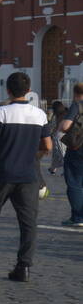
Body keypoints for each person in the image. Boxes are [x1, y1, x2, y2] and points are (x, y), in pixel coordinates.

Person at [0, 72, 53, 282]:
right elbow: (48, 146)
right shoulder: (39, 114)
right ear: (29, 90)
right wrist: (34, 155)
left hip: (2, 172)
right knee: (28, 222)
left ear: (9, 90)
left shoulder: (2, 112)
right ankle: (23, 266)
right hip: (28, 175)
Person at [60, 82, 83, 227]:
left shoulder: (77, 105)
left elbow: (65, 126)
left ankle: (78, 217)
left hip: (78, 148)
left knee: (74, 183)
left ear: (75, 93)